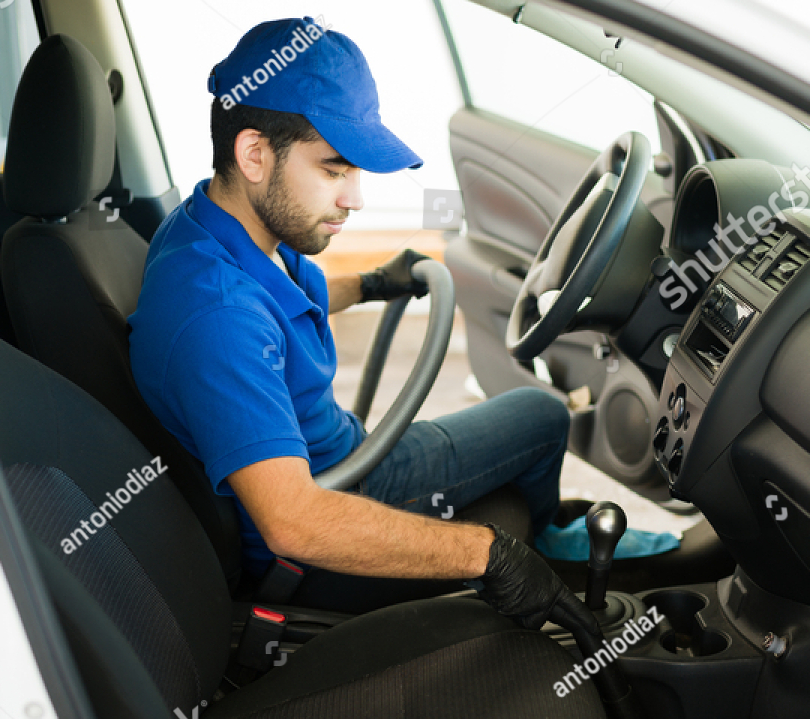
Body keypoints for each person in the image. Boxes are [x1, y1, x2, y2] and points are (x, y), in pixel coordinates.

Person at [129, 16, 580, 626]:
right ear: (255, 153)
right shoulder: (216, 316)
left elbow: (284, 301)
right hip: (339, 499)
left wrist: (369, 284)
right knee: (544, 415)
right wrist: (488, 554)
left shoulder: (220, 227)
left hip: (345, 453)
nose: (356, 198)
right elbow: (292, 522)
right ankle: (555, 548)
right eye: (335, 169)